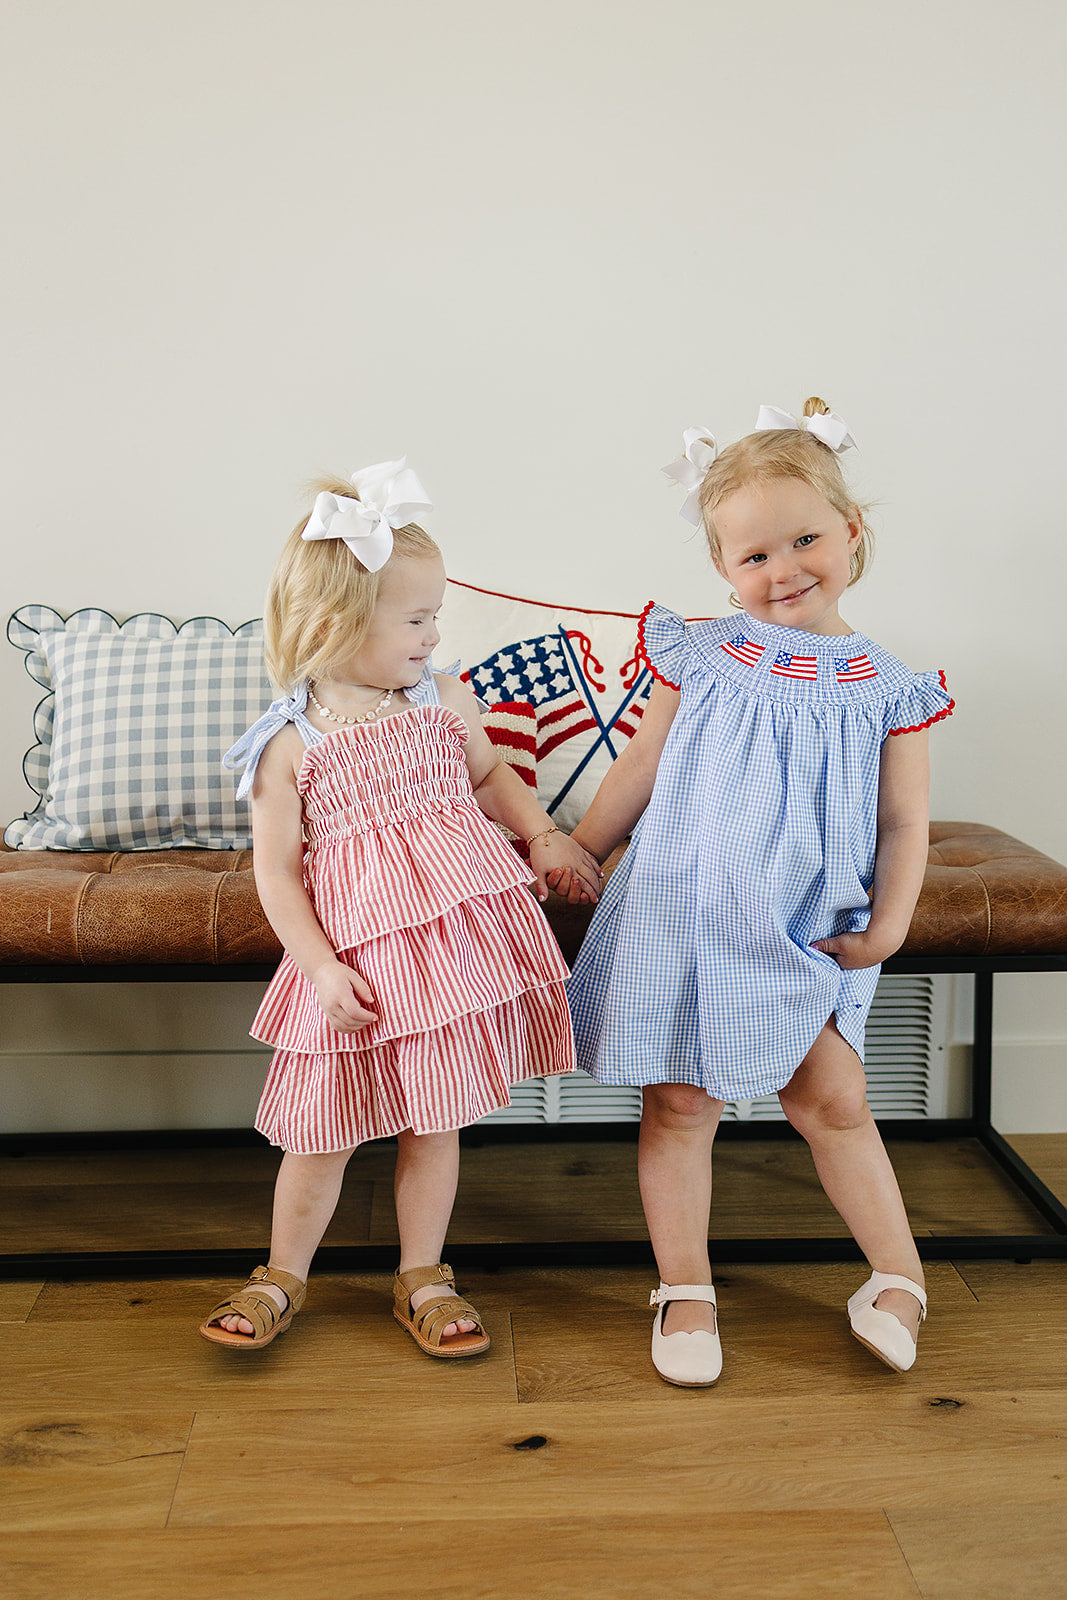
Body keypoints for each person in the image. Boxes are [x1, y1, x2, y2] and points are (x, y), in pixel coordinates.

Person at [553, 400, 954, 1386]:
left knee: (833, 1098)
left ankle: (896, 1276)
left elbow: (902, 825)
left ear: (850, 530)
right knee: (679, 1104)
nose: (784, 570)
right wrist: (582, 850)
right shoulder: (699, 656)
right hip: (684, 914)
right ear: (722, 567)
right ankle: (684, 1288)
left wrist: (888, 925)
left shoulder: (887, 689)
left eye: (805, 540)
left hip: (801, 927)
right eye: (754, 555)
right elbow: (641, 766)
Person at [199, 458, 601, 1357]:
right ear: (335, 623)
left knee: (436, 1119)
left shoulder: (442, 699)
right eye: (416, 619)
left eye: (434, 615)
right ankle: (281, 1274)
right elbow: (278, 875)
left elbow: (490, 777)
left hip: (448, 958)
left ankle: (423, 1272)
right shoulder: (288, 745)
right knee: (321, 1129)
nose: (433, 634)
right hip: (353, 963)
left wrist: (541, 835)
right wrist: (318, 966)